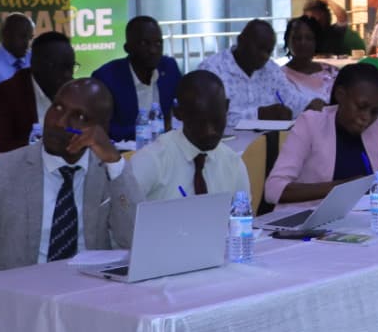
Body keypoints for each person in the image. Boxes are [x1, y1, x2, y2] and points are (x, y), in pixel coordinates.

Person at [0, 78, 140, 292]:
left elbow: (135, 243)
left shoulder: (108, 172)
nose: (60, 122)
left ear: (101, 129)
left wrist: (114, 163)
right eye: (57, 108)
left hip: (92, 299)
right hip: (20, 298)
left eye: (79, 117)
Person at [263, 62, 378, 205]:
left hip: (357, 223)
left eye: (374, 111)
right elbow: (274, 189)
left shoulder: (376, 125)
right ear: (341, 95)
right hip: (303, 225)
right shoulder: (311, 124)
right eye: (361, 107)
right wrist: (343, 187)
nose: (366, 117)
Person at [127, 71, 247, 202]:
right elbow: (120, 215)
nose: (210, 131)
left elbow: (242, 220)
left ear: (227, 107)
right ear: (178, 114)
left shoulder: (233, 163)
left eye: (216, 120)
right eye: (199, 122)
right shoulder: (152, 160)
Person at [198, 20, 318, 123]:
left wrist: (310, 105)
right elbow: (207, 118)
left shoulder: (271, 69)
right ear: (240, 41)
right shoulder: (212, 70)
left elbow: (292, 99)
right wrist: (259, 114)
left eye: (268, 51)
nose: (264, 56)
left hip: (268, 145)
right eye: (260, 48)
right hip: (226, 147)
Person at [0, 31, 76, 154]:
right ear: (35, 65)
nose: (68, 74)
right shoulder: (3, 96)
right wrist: (51, 143)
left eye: (71, 67)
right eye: (59, 66)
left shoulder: (73, 94)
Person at [91, 16, 182, 142]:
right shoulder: (107, 77)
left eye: (158, 43)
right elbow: (102, 129)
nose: (153, 50)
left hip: (166, 150)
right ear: (127, 48)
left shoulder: (169, 68)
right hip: (126, 153)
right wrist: (152, 130)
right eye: (145, 43)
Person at [280, 16, 339, 103]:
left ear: (316, 42)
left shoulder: (332, 72)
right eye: (297, 38)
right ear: (287, 41)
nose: (303, 42)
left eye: (309, 38)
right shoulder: (279, 77)